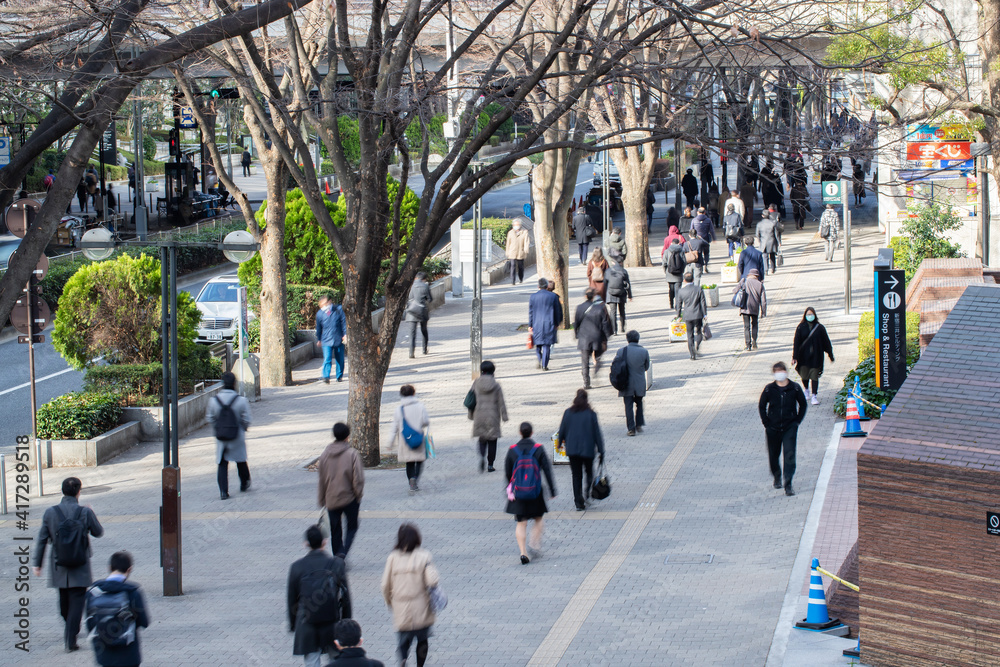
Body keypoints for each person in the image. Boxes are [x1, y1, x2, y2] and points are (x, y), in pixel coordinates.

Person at [34, 477, 105, 652]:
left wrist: (37, 564)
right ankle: (70, 637)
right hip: (80, 564)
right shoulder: (84, 512)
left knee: (64, 602)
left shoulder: (50, 512)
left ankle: (70, 630)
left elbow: (42, 539)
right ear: (78, 492)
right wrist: (91, 513)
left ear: (62, 491)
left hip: (59, 564)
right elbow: (98, 532)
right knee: (77, 602)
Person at [287, 525, 350, 667]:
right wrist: (346, 623)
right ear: (324, 542)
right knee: (336, 661)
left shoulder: (297, 567)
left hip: (307, 624)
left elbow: (292, 600)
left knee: (312, 661)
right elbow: (346, 598)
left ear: (306, 544)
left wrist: (293, 624)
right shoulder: (336, 564)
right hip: (332, 623)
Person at [381, 524, 440, 667]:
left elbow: (385, 585)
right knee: (422, 639)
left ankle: (403, 660)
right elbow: (433, 581)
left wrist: (390, 602)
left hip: (401, 606)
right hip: (421, 606)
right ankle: (420, 665)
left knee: (403, 639)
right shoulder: (424, 555)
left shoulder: (393, 558)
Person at [504, 422, 557, 563]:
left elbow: (508, 473)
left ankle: (523, 553)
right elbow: (547, 470)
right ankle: (534, 543)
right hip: (535, 492)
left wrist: (510, 489)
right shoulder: (538, 449)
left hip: (518, 492)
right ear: (532, 433)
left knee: (521, 523)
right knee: (538, 519)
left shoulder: (512, 450)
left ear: (520, 433)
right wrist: (552, 490)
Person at [85, 551, 150, 666]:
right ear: (129, 569)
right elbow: (144, 622)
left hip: (104, 654)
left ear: (109, 568)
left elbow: (90, 624)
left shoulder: (94, 592)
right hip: (128, 654)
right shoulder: (133, 593)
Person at [758, 362, 808, 496]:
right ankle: (777, 475)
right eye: (777, 371)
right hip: (772, 428)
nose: (780, 374)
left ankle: (788, 483)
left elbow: (803, 404)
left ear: (785, 372)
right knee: (774, 455)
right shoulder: (769, 389)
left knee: (789, 454)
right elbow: (762, 406)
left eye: (781, 371)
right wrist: (766, 423)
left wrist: (797, 421)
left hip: (789, 427)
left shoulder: (795, 388)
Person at [318, 423, 365, 558]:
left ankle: (338, 555)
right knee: (352, 527)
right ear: (347, 437)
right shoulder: (352, 454)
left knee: (335, 530)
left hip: (331, 498)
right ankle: (343, 553)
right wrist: (358, 495)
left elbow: (321, 479)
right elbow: (358, 479)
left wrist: (322, 499)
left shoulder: (325, 454)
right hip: (349, 498)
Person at [206, 371, 252, 500]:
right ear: (234, 383)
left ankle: (223, 491)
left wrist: (218, 428)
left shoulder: (214, 401)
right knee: (240, 460)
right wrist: (243, 428)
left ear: (222, 384)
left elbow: (210, 418)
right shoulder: (241, 400)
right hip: (237, 434)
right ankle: (244, 483)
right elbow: (247, 419)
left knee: (222, 462)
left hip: (222, 436)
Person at [557, 389, 605, 511]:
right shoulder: (591, 414)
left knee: (576, 475)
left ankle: (578, 501)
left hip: (572, 450)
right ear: (586, 400)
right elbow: (597, 434)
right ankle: (586, 493)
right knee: (589, 472)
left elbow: (562, 430)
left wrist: (558, 444)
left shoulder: (568, 413)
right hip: (588, 450)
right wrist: (601, 450)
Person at [470, 360, 508, 472]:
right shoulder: (496, 385)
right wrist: (504, 415)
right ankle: (490, 465)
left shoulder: (476, 383)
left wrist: (471, 415)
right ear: (493, 371)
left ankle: (482, 456)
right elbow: (501, 402)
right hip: (493, 416)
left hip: (479, 414)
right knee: (492, 440)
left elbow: (471, 401)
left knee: (482, 439)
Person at [792, 307, 835, 405]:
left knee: (814, 376)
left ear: (815, 315)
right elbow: (796, 342)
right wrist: (794, 357)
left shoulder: (820, 328)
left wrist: (830, 355)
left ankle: (814, 395)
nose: (810, 316)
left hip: (816, 357)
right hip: (803, 357)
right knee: (804, 375)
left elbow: (826, 342)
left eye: (811, 314)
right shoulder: (800, 327)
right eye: (808, 314)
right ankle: (806, 389)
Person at [391, 384, 430, 493]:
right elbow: (426, 421)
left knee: (409, 462)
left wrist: (390, 442)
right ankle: (415, 479)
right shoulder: (420, 406)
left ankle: (411, 480)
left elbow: (394, 426)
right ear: (413, 393)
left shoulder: (399, 409)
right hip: (418, 436)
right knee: (420, 460)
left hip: (405, 439)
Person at [574, 287, 614, 389]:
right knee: (598, 356)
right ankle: (597, 367)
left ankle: (586, 382)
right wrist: (607, 336)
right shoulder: (600, 308)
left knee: (584, 361)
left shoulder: (579, 308)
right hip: (597, 337)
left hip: (584, 338)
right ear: (594, 297)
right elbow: (605, 323)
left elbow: (576, 323)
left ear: (585, 296)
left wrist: (576, 334)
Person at [615, 330, 650, 436]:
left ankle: (631, 429)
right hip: (639, 382)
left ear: (627, 339)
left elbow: (616, 366)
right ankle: (639, 423)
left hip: (626, 383)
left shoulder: (621, 351)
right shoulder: (644, 351)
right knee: (639, 403)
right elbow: (646, 367)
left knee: (628, 406)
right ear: (638, 339)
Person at [528, 277, 562, 371]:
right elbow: (557, 311)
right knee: (547, 344)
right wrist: (557, 322)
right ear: (547, 286)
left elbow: (531, 312)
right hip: (549, 323)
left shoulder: (533, 297)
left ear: (538, 286)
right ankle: (544, 365)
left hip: (537, 323)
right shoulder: (553, 296)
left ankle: (540, 360)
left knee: (538, 344)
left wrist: (530, 325)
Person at [315, 294, 347, 383]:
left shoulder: (338, 309)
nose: (324, 306)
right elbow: (318, 327)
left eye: (325, 303)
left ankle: (339, 376)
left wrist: (345, 334)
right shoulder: (320, 314)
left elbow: (343, 322)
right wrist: (319, 339)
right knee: (327, 358)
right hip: (326, 339)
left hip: (338, 338)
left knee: (340, 359)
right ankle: (326, 376)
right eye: (322, 304)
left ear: (329, 301)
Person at [677, 272, 707, 360]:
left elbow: (679, 304)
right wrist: (705, 314)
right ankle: (697, 346)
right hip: (698, 314)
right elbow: (703, 302)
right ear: (693, 279)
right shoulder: (698, 289)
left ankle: (692, 354)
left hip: (687, 315)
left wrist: (678, 316)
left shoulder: (681, 291)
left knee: (690, 335)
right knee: (699, 332)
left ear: (684, 280)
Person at [736, 268, 766, 350]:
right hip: (755, 308)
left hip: (745, 308)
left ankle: (748, 345)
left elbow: (735, 290)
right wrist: (763, 312)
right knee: (755, 325)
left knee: (746, 326)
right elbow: (763, 301)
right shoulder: (760, 284)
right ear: (757, 276)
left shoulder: (744, 281)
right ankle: (754, 341)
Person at [404, 272, 432, 358]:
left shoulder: (409, 286)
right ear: (423, 279)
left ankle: (411, 353)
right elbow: (430, 299)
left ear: (416, 278)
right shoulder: (425, 286)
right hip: (422, 311)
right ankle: (424, 349)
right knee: (424, 330)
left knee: (412, 333)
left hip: (411, 311)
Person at [604, 259, 632, 336]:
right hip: (621, 293)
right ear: (621, 263)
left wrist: (605, 294)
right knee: (622, 311)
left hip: (611, 294)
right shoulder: (624, 271)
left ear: (613, 262)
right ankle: (622, 327)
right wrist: (630, 295)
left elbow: (605, 284)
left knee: (613, 312)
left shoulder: (608, 271)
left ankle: (614, 330)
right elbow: (628, 284)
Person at [662, 237, 686, 310]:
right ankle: (678, 305)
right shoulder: (681, 251)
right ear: (679, 243)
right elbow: (684, 262)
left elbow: (664, 263)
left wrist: (666, 271)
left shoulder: (667, 251)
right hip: (678, 275)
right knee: (678, 290)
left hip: (669, 274)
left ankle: (671, 303)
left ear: (671, 243)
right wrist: (682, 270)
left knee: (671, 290)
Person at [505, 218, 530, 285]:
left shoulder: (524, 232)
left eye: (518, 225)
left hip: (520, 252)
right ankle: (512, 280)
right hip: (512, 251)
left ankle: (521, 278)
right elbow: (508, 243)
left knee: (520, 266)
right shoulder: (510, 233)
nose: (516, 226)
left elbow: (526, 241)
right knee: (512, 265)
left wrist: (526, 249)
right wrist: (507, 251)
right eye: (515, 225)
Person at [756, 210, 781, 275]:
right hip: (772, 241)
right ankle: (773, 268)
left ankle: (765, 270)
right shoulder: (773, 223)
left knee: (765, 256)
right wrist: (779, 242)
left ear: (762, 215)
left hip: (763, 241)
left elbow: (757, 234)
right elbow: (776, 234)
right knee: (772, 255)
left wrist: (760, 240)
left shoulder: (759, 224)